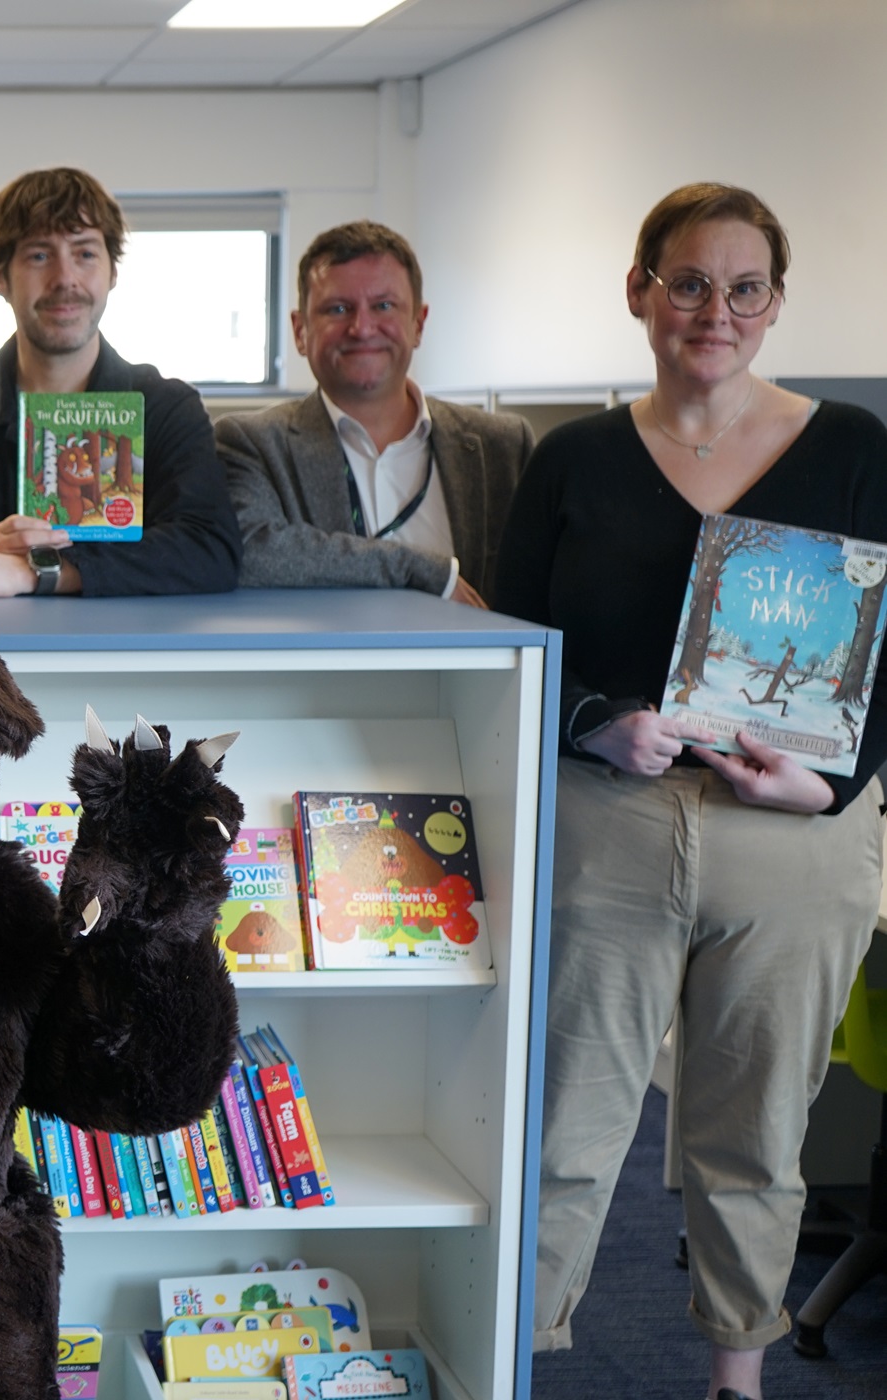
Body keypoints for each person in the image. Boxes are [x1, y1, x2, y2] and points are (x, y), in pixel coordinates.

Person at [494, 184, 887, 1400]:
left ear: (775, 303)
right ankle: (525, 1352)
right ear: (640, 292)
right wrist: (597, 728)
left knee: (759, 1130)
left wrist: (832, 785)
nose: (714, 310)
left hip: (793, 834)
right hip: (611, 823)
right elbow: (521, 638)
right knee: (564, 1122)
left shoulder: (860, 454)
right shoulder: (570, 458)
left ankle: (737, 1372)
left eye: (744, 286)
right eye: (687, 282)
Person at [0, 167, 239, 597]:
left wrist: (35, 572)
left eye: (85, 254)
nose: (65, 279)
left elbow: (210, 550)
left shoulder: (166, 408)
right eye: (39, 256)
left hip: (126, 656)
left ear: (112, 271)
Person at [219, 221, 534, 605]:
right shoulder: (251, 444)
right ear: (300, 331)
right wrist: (426, 572)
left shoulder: (503, 446)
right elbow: (252, 553)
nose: (362, 328)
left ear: (418, 323)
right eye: (338, 308)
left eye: (383, 306)